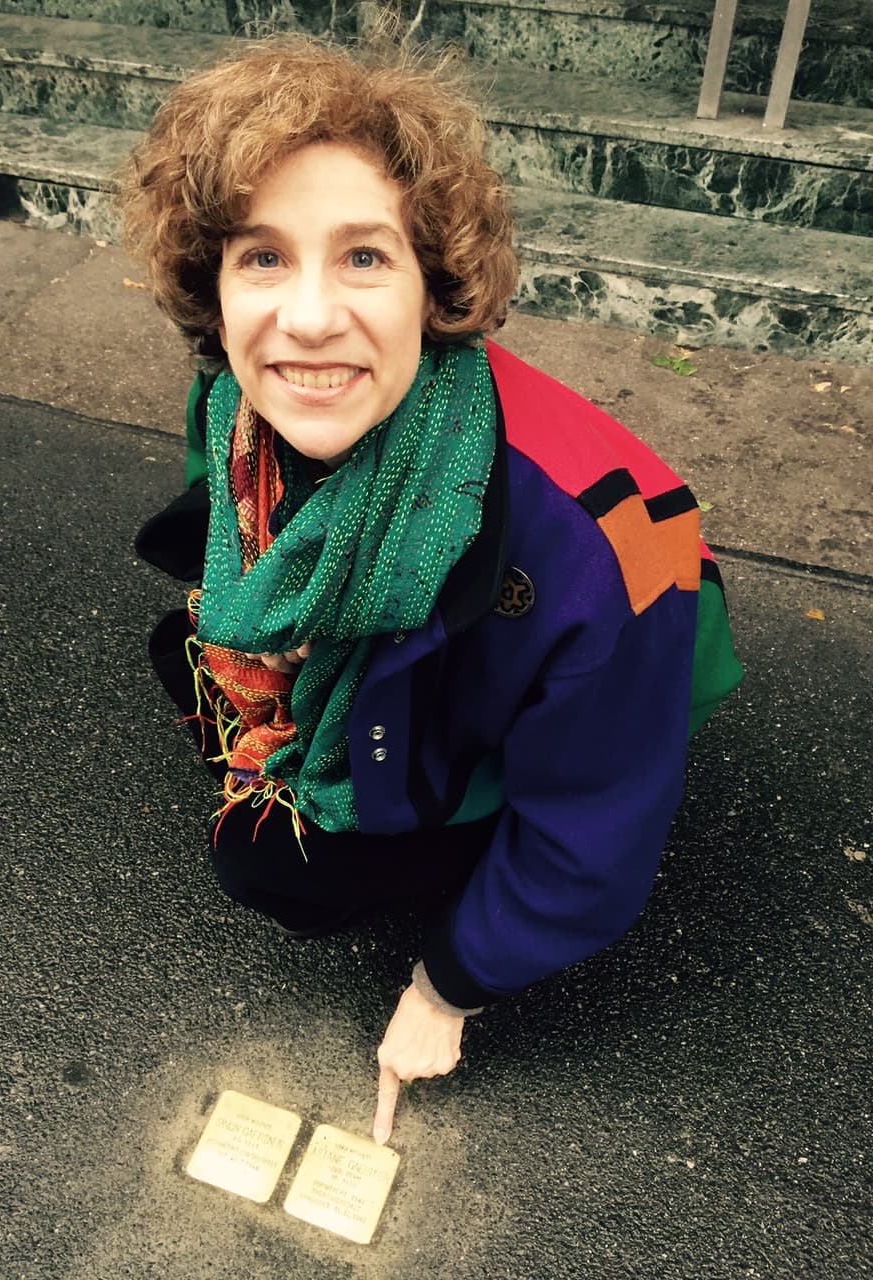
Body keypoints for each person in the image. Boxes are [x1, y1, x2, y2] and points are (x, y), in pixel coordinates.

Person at [119, 34, 743, 1147]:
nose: (306, 320)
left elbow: (594, 836)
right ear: (212, 292)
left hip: (561, 709)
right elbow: (225, 536)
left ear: (436, 282)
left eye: (364, 256)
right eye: (262, 257)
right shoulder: (233, 404)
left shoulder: (605, 553)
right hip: (415, 682)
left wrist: (449, 984)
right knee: (182, 651)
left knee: (272, 874)